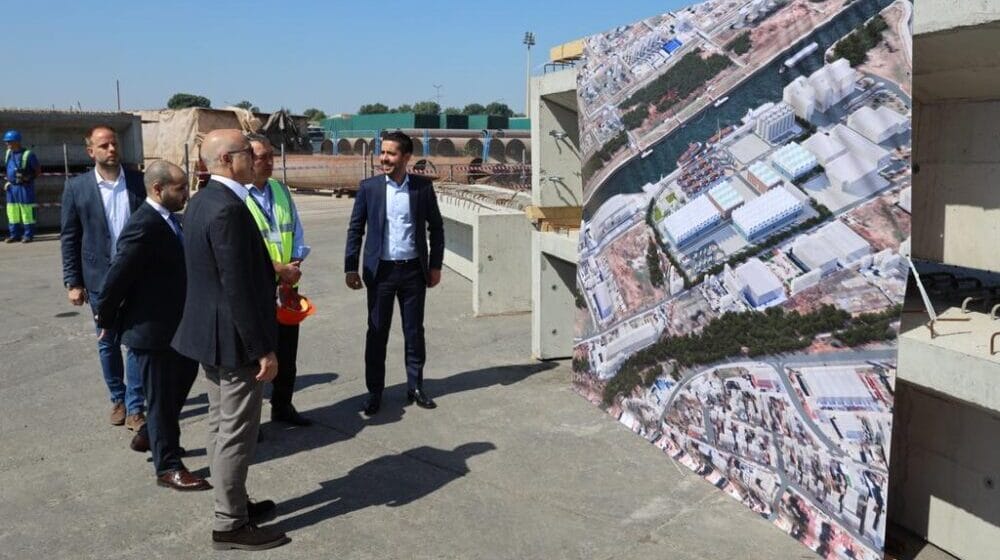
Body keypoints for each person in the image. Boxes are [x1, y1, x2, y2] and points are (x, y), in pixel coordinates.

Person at [171, 129, 288, 551]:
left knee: (221, 426)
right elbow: (237, 285)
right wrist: (262, 348)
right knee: (237, 432)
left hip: (211, 335)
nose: (254, 160)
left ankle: (233, 501)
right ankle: (229, 522)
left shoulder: (202, 201)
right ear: (226, 160)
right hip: (235, 341)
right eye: (246, 154)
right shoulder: (229, 210)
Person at [95, 161, 210, 490]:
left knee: (178, 388)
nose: (186, 194)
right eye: (179, 189)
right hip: (153, 331)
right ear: (158, 189)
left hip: (178, 327)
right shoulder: (143, 225)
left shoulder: (170, 221)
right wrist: (106, 319)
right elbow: (116, 277)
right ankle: (168, 466)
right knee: (161, 400)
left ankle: (149, 435)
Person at [344, 131, 444, 416]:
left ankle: (415, 386)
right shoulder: (369, 188)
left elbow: (435, 228)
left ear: (406, 157)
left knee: (414, 332)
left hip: (413, 272)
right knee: (377, 334)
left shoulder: (422, 188)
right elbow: (355, 229)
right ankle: (375, 392)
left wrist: (435, 265)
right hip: (381, 273)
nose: (384, 158)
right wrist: (351, 266)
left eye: (391, 153)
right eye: (383, 152)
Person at [60, 125, 146, 431]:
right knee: (107, 341)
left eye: (115, 144)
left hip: (137, 277)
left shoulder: (138, 182)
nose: (112, 149)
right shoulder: (77, 188)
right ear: (91, 151)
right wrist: (73, 281)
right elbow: (70, 237)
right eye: (104, 145)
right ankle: (118, 399)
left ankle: (136, 406)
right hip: (99, 280)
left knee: (135, 344)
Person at [244, 134, 311, 426]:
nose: (270, 162)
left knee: (287, 353)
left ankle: (283, 405)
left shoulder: (280, 190)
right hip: (255, 291)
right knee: (255, 360)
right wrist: (278, 269)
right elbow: (240, 251)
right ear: (246, 159)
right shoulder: (237, 196)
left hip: (286, 288)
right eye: (262, 157)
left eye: (271, 155)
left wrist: (295, 263)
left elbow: (295, 230)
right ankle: (250, 422)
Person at [3, 130, 41, 243]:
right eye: (6, 142)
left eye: (9, 141)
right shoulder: (8, 153)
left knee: (27, 211)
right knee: (12, 211)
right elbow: (8, 168)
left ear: (17, 142)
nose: (7, 144)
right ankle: (14, 234)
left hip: (24, 187)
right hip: (11, 187)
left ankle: (28, 235)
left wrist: (27, 177)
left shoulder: (28, 155)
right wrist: (8, 180)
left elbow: (38, 171)